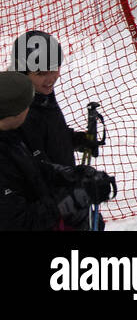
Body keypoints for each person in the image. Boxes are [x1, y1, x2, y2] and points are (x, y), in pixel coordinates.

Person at [0, 71, 116, 231]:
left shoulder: (9, 132)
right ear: (15, 112)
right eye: (27, 104)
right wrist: (75, 198)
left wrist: (70, 175)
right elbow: (21, 222)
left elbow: (30, 167)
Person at [10, 31, 96, 167]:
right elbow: (34, 168)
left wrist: (76, 140)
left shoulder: (40, 93)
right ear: (23, 73)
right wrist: (74, 180)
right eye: (42, 73)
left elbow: (48, 135)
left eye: (54, 69)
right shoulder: (17, 111)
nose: (51, 79)